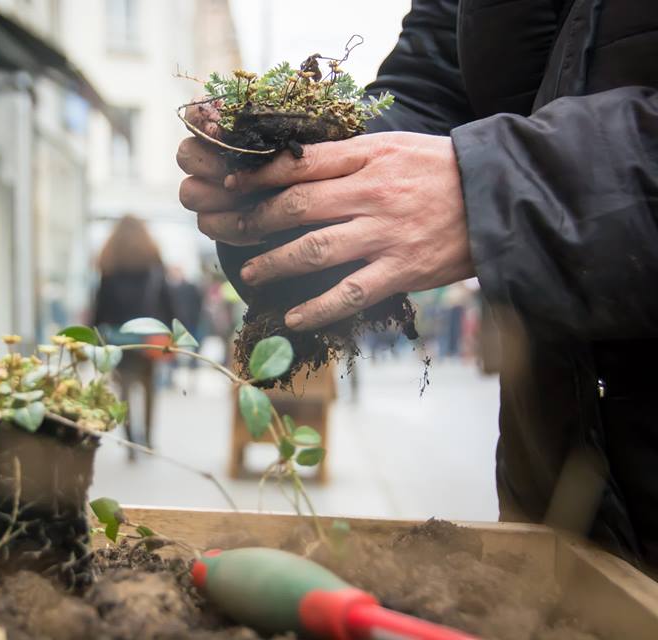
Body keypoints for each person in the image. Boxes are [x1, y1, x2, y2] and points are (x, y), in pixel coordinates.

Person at [177, 1, 658, 570]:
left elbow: (472, 158)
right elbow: (431, 86)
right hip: (557, 485)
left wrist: (499, 192)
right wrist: (284, 171)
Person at [93, 215, 175, 454]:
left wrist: (95, 336)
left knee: (125, 390)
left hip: (120, 339)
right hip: (149, 336)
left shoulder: (109, 263)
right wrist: (172, 329)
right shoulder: (153, 260)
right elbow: (166, 298)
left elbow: (100, 306)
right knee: (150, 388)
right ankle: (148, 439)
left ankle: (130, 442)